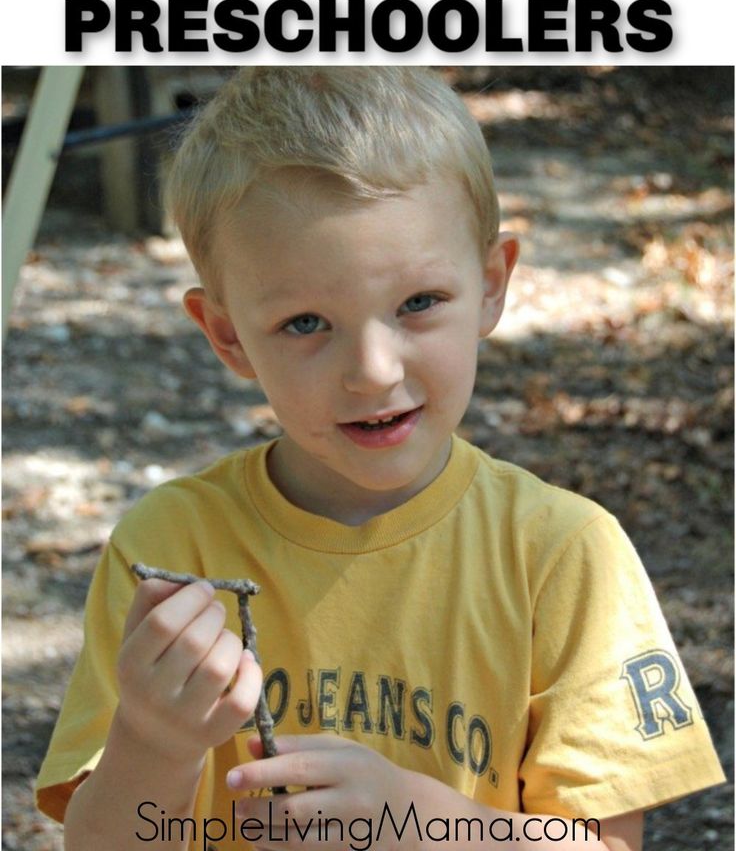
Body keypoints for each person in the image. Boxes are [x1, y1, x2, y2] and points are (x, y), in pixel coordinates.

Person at [37, 68, 723, 851]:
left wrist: (425, 823)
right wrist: (153, 741)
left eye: (418, 304)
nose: (373, 369)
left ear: (492, 283)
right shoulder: (172, 549)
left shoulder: (563, 556)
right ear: (227, 335)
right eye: (304, 323)